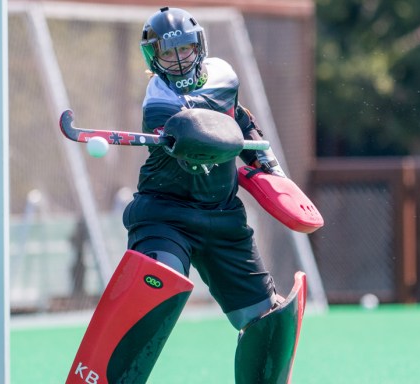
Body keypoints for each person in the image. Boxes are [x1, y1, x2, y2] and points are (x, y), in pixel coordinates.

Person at [65, 7, 305, 384]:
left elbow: (238, 118)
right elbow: (192, 155)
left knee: (266, 319)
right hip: (166, 215)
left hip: (224, 218)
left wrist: (266, 164)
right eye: (168, 53)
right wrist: (195, 146)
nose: (178, 60)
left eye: (186, 50)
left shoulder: (225, 76)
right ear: (154, 59)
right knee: (154, 285)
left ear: (200, 47)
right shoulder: (158, 101)